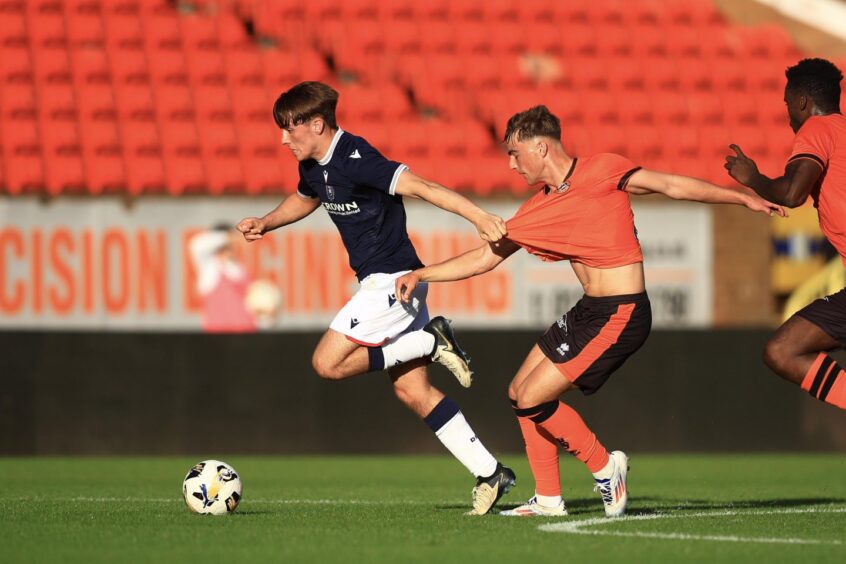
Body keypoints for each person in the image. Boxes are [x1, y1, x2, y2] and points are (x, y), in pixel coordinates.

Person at [396, 105, 784, 517]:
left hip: (623, 312)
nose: (510, 164)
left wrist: (741, 197)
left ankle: (604, 465)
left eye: (514, 153)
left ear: (541, 148)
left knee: (531, 397)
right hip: (590, 310)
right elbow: (485, 258)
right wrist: (423, 274)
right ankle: (548, 499)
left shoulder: (602, 170)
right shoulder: (536, 209)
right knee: (518, 392)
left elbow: (670, 184)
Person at [236, 81, 515, 515]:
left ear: (317, 124)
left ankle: (430, 341)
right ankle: (490, 472)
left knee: (326, 363)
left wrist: (479, 216)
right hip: (389, 285)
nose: (283, 138)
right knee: (413, 391)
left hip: (393, 281)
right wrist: (267, 222)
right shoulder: (313, 164)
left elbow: (422, 187)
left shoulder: (358, 158)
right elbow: (306, 197)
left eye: (290, 129)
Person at [726, 58, 846, 412]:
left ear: (803, 102)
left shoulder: (818, 129)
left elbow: (792, 193)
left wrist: (753, 179)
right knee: (783, 350)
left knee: (783, 351)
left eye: (788, 104)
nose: (788, 114)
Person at [189, 224, 257, 333]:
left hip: (245, 338)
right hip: (218, 341)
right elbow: (197, 245)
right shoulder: (210, 269)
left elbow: (254, 310)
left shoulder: (243, 271)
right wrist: (227, 237)